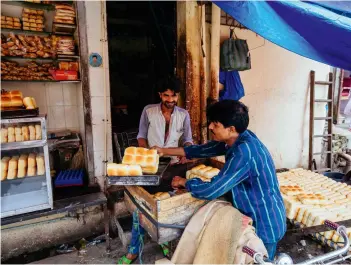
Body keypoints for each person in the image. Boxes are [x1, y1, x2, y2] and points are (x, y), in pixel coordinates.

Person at [153, 100, 287, 260]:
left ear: (230, 129)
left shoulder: (244, 152)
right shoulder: (238, 137)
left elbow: (212, 190)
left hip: (264, 222)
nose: (210, 127)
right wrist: (163, 151)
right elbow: (202, 150)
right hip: (252, 215)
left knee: (259, 261)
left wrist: (184, 182)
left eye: (215, 125)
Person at [118, 76, 193, 264]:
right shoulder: (148, 111)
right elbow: (141, 136)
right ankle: (134, 249)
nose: (170, 100)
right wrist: (145, 154)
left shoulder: (184, 114)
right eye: (166, 95)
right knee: (142, 208)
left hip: (175, 168)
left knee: (169, 208)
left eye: (173, 96)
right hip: (151, 169)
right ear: (160, 95)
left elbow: (188, 140)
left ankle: (165, 243)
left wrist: (187, 150)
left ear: (178, 96)